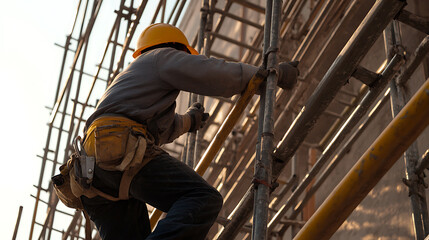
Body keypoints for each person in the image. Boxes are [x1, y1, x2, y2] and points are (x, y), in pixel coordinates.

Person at [78, 23, 299, 240]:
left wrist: (189, 121)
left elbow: (157, 130)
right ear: (176, 49)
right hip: (119, 149)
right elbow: (210, 73)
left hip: (93, 174)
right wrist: (268, 75)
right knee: (201, 198)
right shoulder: (160, 57)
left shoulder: (130, 83)